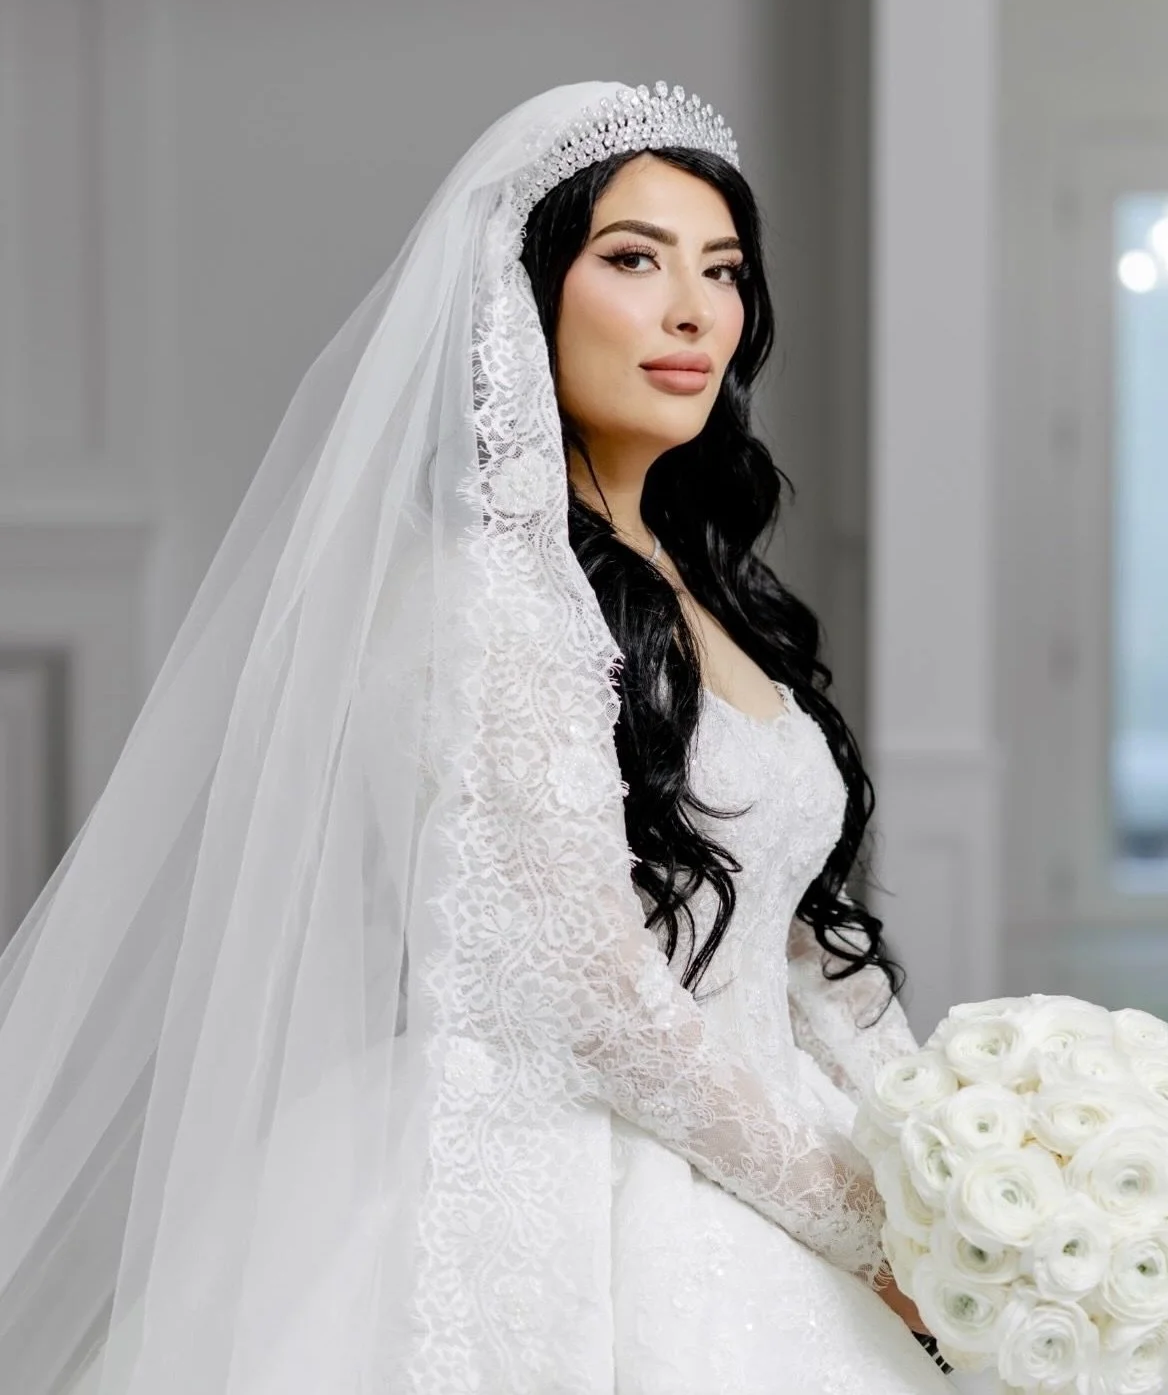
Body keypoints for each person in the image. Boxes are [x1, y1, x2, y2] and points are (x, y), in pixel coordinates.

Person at [0, 80, 955, 1393]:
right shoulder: (485, 603)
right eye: (633, 259)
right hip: (578, 1180)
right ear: (526, 293)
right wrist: (862, 1226)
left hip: (760, 1138)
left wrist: (949, 1147)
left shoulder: (701, 580)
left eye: (722, 269)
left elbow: (798, 936)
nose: (693, 309)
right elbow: (602, 1001)